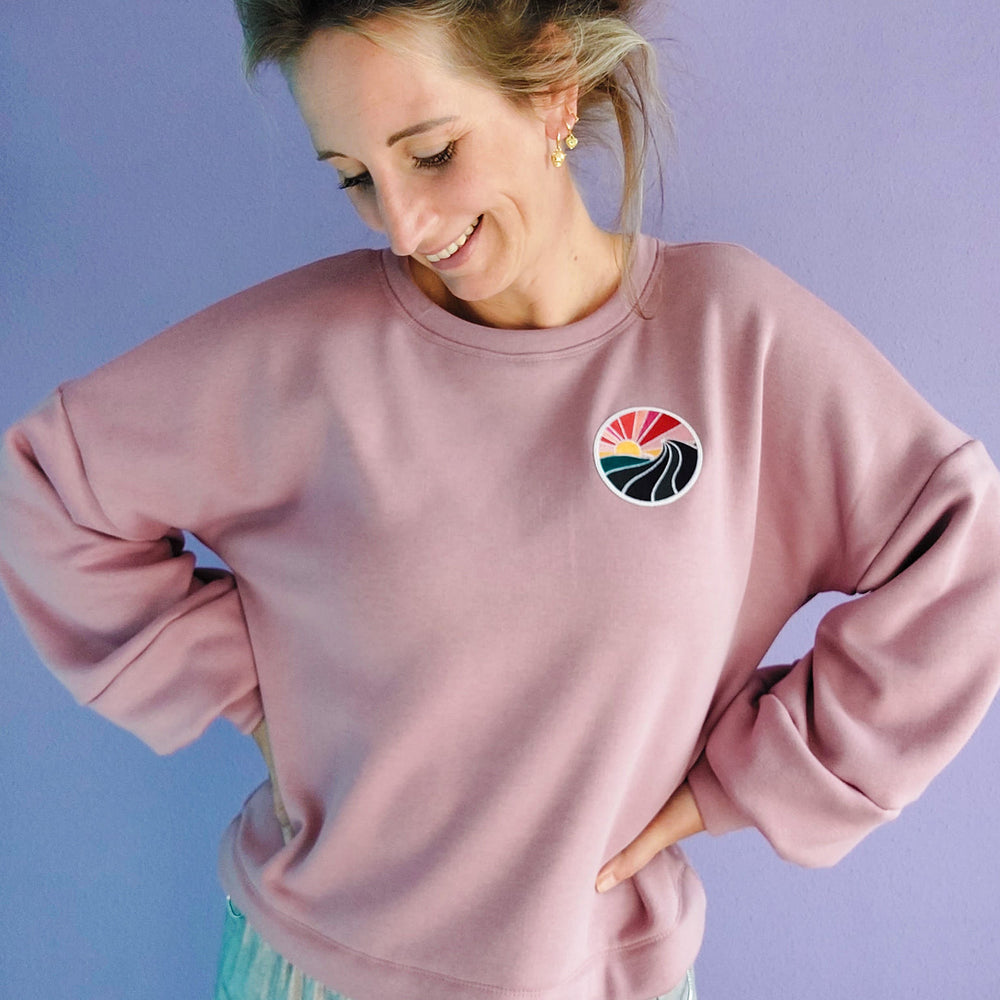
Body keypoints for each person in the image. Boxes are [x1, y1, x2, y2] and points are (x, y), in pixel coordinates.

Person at [0, 1, 998, 998]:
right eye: (354, 176)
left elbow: (967, 558)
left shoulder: (731, 343)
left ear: (551, 85)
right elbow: (47, 487)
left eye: (431, 154)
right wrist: (247, 693)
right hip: (308, 971)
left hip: (601, 978)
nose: (403, 224)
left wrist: (743, 783)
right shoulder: (304, 355)